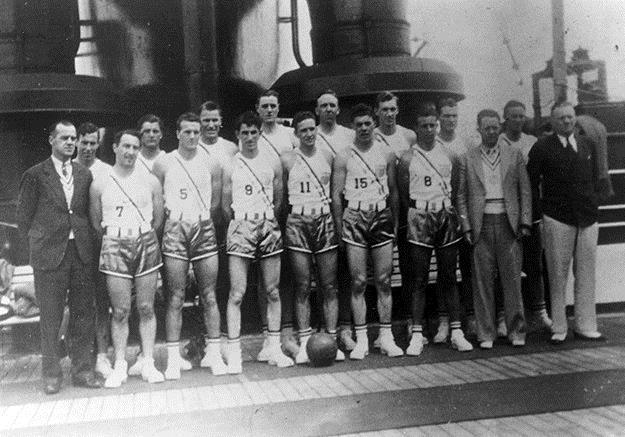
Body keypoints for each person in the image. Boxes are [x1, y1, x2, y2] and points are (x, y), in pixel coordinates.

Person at [17, 120, 101, 394]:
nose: (70, 142)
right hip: (49, 257)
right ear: (51, 140)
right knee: (50, 318)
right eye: (64, 137)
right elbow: (24, 220)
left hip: (80, 254)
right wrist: (41, 245)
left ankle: (83, 371)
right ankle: (51, 376)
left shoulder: (84, 174)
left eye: (73, 138)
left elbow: (85, 214)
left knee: (83, 315)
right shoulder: (35, 175)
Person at [153, 112, 227, 378]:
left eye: (196, 132)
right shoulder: (164, 163)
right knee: (175, 296)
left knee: (209, 294)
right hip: (175, 227)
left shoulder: (212, 162)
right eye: (188, 132)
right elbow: (157, 200)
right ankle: (173, 359)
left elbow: (217, 204)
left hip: (203, 226)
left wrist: (202, 222)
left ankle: (214, 355)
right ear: (177, 133)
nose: (193, 136)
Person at [90, 129, 165, 387]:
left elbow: (158, 219)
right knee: (120, 310)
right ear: (114, 148)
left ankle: (148, 362)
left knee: (146, 307)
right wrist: (118, 236)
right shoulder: (100, 181)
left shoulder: (150, 180)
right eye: (126, 146)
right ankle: (120, 364)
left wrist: (139, 235)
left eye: (135, 147)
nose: (131, 152)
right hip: (114, 243)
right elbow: (96, 222)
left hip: (144, 240)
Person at [397, 103, 473, 355]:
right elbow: (404, 193)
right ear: (416, 128)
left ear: (437, 126)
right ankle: (417, 334)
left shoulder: (451, 155)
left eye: (433, 125)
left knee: (450, 276)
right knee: (418, 278)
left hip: (445, 215)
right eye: (424, 125)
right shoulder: (408, 158)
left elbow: (456, 187)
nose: (429, 129)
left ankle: (456, 330)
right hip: (419, 215)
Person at [222, 111, 294, 373]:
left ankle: (273, 347)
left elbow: (278, 200)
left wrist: (266, 221)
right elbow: (223, 206)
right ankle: (234, 352)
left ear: (260, 133)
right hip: (241, 224)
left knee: (272, 290)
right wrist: (242, 221)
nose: (250, 137)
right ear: (238, 135)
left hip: (267, 224)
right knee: (237, 292)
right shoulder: (231, 164)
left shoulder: (271, 162)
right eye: (245, 133)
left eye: (254, 132)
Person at [527, 101, 605, 344]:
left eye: (570, 117)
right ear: (552, 122)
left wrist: (593, 206)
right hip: (557, 218)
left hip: (587, 218)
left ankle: (585, 325)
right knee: (557, 275)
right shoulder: (541, 147)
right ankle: (559, 326)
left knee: (586, 274)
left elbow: (593, 178)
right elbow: (531, 182)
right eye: (561, 118)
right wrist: (541, 214)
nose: (567, 122)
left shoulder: (587, 144)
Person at [332, 103, 403, 360]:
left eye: (367, 123)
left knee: (384, 280)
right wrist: (340, 228)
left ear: (374, 124)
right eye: (359, 124)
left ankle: (386, 337)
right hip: (354, 216)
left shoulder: (385, 153)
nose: (363, 128)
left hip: (381, 213)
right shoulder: (343, 155)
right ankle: (361, 338)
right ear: (353, 127)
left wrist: (394, 221)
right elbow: (336, 197)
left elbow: (394, 190)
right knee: (359, 281)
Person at [457, 109, 531, 349]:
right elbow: (460, 196)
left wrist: (525, 222)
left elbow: (525, 191)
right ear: (479, 129)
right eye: (486, 128)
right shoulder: (468, 158)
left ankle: (517, 332)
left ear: (499, 127)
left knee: (512, 281)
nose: (491, 131)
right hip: (482, 224)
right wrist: (466, 226)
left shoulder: (514, 154)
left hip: (508, 223)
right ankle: (486, 333)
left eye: (494, 127)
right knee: (482, 282)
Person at [282, 111, 344, 363]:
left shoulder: (328, 156)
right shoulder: (286, 159)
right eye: (303, 130)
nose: (308, 134)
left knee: (329, 285)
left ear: (316, 130)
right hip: (298, 219)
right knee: (303, 285)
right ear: (296, 133)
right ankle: (306, 342)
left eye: (311, 129)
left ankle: (332, 340)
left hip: (324, 219)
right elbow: (280, 198)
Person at [497, 100, 552, 332]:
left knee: (534, 263)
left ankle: (539, 312)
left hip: (531, 209)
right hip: (505, 209)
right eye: (513, 116)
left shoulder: (533, 142)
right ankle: (503, 316)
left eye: (521, 116)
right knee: (506, 266)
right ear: (505, 119)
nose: (518, 120)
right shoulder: (497, 142)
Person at [255, 90, 299, 359]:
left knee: (289, 275)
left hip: (287, 209)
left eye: (273, 105)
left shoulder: (289, 136)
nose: (269, 110)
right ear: (258, 109)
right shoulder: (251, 136)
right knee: (264, 278)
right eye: (265, 106)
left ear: (278, 108)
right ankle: (266, 334)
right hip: (262, 212)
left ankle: (288, 331)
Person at [371, 91, 417, 348]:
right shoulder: (370, 136)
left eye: (392, 109)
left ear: (397, 111)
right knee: (380, 275)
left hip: (406, 208)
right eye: (384, 109)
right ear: (376, 112)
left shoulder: (408, 136)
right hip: (380, 210)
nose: (388, 114)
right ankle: (380, 329)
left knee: (409, 269)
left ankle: (411, 321)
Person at [314, 90, 355, 350]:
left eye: (332, 105)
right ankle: (323, 329)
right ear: (317, 110)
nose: (328, 109)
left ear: (338, 109)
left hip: (346, 208)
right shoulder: (308, 136)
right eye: (324, 106)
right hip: (318, 213)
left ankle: (346, 328)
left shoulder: (349, 136)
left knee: (348, 274)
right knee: (323, 277)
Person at [73, 122, 114, 378]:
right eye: (83, 142)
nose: (88, 147)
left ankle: (102, 356)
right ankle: (81, 358)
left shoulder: (107, 172)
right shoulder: (66, 170)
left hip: (100, 246)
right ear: (76, 141)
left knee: (103, 302)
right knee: (79, 305)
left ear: (98, 144)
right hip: (75, 248)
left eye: (92, 143)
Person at [198, 100, 239, 351]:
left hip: (226, 222)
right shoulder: (192, 146)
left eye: (215, 120)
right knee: (202, 285)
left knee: (223, 280)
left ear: (220, 122)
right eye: (206, 120)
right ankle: (202, 337)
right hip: (200, 222)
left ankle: (223, 334)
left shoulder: (231, 148)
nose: (211, 124)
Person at [435, 98, 476, 339]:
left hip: (466, 214)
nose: (451, 120)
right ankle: (444, 321)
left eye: (454, 116)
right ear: (439, 118)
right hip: (443, 215)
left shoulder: (467, 143)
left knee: (469, 269)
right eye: (447, 116)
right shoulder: (434, 144)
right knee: (446, 271)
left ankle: (470, 317)